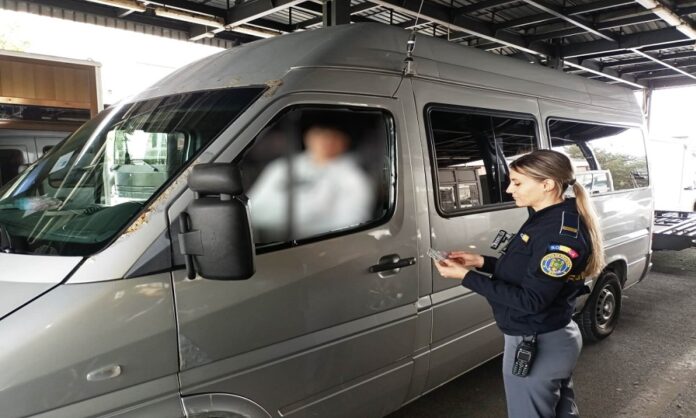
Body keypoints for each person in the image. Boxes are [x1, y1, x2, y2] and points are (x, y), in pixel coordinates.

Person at [434, 149, 605, 418]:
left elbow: (531, 300)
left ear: (547, 185)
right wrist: (481, 262)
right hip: (549, 334)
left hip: (537, 342)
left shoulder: (558, 234)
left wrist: (465, 277)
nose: (509, 189)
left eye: (517, 183)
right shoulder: (548, 218)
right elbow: (527, 271)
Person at [248, 124, 373, 241]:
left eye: (334, 135)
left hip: (315, 246)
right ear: (308, 136)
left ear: (345, 141)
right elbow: (251, 208)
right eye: (320, 133)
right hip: (261, 240)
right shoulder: (281, 167)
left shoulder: (354, 177)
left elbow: (352, 225)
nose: (326, 140)